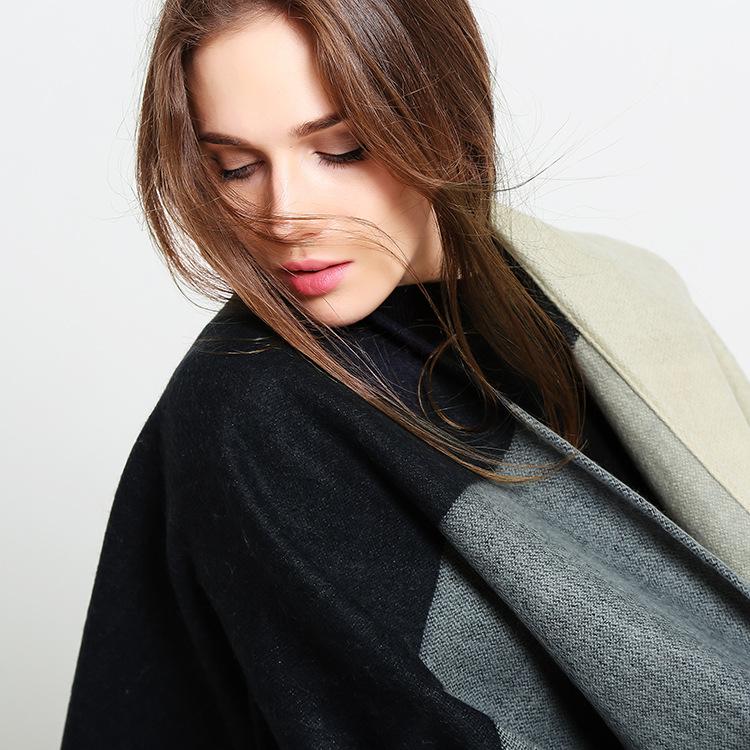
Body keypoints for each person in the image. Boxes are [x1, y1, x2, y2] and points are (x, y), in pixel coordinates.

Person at [61, 1, 750, 748]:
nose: (284, 215)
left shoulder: (624, 297)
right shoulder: (259, 407)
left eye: (343, 149)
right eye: (237, 166)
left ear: (448, 116)